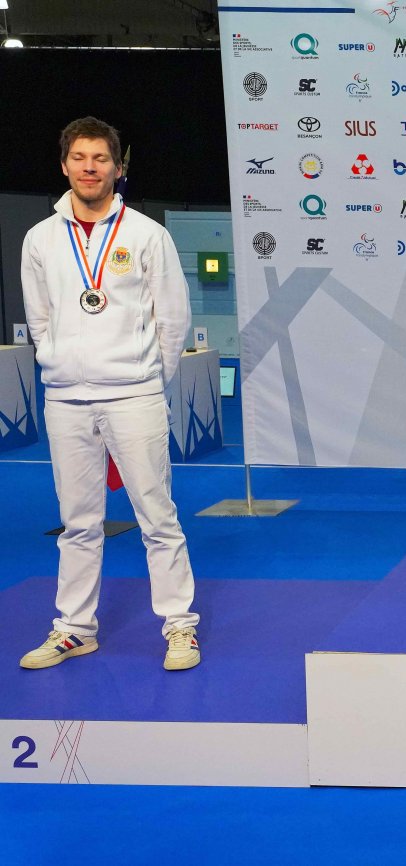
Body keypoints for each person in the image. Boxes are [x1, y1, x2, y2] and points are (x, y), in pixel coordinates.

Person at [19, 117, 201, 671]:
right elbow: (39, 319)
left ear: (117, 168)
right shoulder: (40, 238)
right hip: (66, 398)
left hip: (133, 395)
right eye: (79, 157)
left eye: (100, 158)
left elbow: (173, 318)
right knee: (77, 522)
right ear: (64, 165)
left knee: (157, 516)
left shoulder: (146, 234)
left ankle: (180, 626)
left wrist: (145, 378)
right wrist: (58, 363)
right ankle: (75, 629)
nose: (89, 167)